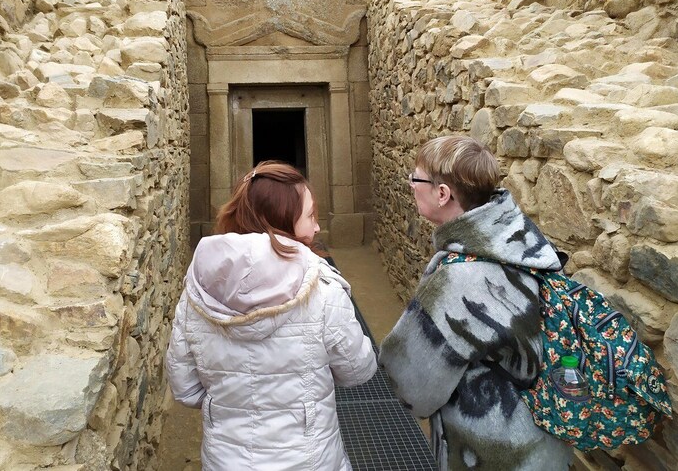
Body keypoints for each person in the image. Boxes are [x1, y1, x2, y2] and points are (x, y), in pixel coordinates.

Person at [165, 161, 377, 470]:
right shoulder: (322, 288)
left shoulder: (199, 293)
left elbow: (184, 387)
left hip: (227, 460)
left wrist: (227, 402)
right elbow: (358, 369)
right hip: (310, 458)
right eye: (310, 216)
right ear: (282, 221)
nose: (317, 227)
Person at [379, 135, 573, 471]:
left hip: (494, 452)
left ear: (442, 194)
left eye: (416, 178)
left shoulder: (457, 280)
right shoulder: (522, 240)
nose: (410, 184)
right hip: (546, 443)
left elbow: (411, 385)